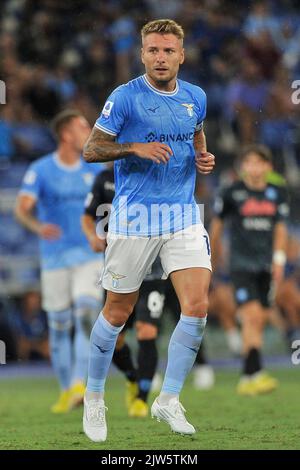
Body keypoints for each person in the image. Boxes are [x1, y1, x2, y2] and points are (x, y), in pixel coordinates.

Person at [81, 19, 215, 442]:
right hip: (134, 219)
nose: (160, 57)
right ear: (142, 54)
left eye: (168, 51)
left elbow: (195, 131)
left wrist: (201, 156)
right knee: (117, 313)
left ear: (181, 55)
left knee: (196, 306)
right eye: (153, 50)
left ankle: (169, 399)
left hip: (182, 217)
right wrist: (132, 146)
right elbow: (91, 149)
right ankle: (95, 397)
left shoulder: (196, 97)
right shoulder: (125, 98)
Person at [15, 110, 104, 413]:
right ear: (66, 134)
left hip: (89, 256)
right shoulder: (41, 170)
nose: (89, 131)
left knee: (85, 314)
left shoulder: (94, 170)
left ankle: (79, 382)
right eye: (83, 127)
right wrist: (39, 227)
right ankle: (67, 389)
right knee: (59, 325)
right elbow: (22, 209)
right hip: (54, 258)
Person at [82, 163, 166, 417]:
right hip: (119, 267)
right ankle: (132, 376)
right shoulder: (105, 178)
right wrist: (92, 236)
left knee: (146, 330)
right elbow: (88, 215)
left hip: (153, 267)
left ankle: (141, 398)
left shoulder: (153, 171)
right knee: (115, 338)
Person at [210, 144, 289, 395]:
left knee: (260, 318)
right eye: (249, 163)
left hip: (266, 265)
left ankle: (250, 376)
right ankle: (252, 374)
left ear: (268, 167)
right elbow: (217, 227)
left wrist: (278, 260)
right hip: (241, 265)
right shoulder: (232, 193)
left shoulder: (277, 193)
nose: (254, 168)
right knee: (252, 315)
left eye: (259, 163)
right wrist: (212, 257)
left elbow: (280, 229)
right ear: (243, 167)